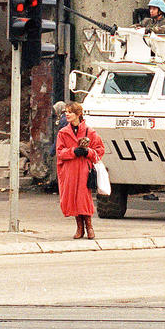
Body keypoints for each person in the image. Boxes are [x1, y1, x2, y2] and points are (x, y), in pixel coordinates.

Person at [55, 101, 105, 239]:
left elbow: (100, 150)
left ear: (78, 114)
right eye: (66, 112)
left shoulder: (90, 132)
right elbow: (59, 152)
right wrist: (73, 151)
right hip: (70, 171)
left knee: (83, 198)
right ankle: (79, 228)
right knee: (73, 198)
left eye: (70, 112)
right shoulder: (63, 133)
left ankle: (89, 227)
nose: (67, 114)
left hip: (84, 170)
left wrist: (87, 152)